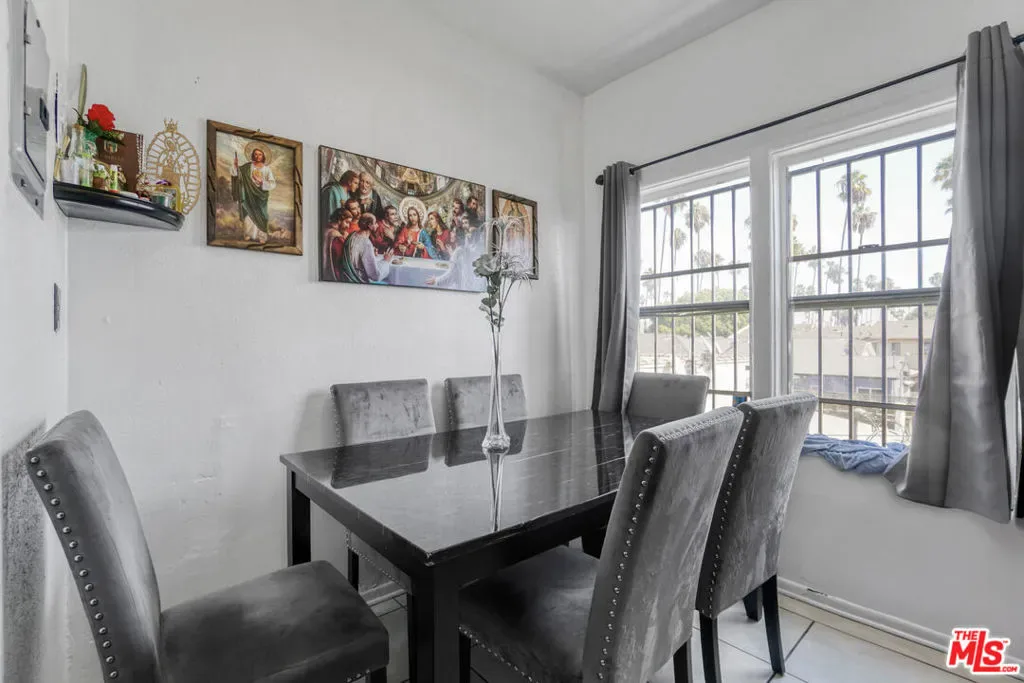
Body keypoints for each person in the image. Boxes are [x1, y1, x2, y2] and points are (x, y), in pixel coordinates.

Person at [232, 145, 277, 243]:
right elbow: (238, 174)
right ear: (253, 155)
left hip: (261, 196)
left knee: (263, 216)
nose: (258, 156)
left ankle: (262, 237)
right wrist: (235, 166)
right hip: (248, 195)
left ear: (263, 156)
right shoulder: (247, 167)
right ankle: (248, 234)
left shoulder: (267, 169)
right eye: (256, 154)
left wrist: (261, 182)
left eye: (260, 154)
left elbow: (273, 184)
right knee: (248, 215)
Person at [340, 214, 393, 284]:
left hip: (347, 277)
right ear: (370, 225)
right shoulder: (366, 243)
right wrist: (385, 261)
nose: (377, 225)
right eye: (375, 223)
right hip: (358, 281)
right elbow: (375, 275)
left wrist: (371, 253)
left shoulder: (352, 235)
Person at [321, 208, 349, 282]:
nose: (348, 226)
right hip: (335, 274)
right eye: (347, 222)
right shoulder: (337, 237)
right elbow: (342, 258)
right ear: (339, 220)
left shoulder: (326, 230)